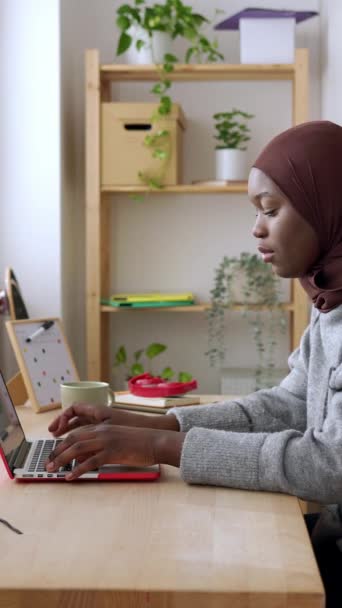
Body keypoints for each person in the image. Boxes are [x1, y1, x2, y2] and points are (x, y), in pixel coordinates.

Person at [47, 120, 342, 606]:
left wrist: (161, 446)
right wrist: (151, 420)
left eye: (271, 209)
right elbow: (289, 404)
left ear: (325, 206)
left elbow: (331, 466)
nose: (257, 227)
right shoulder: (329, 300)